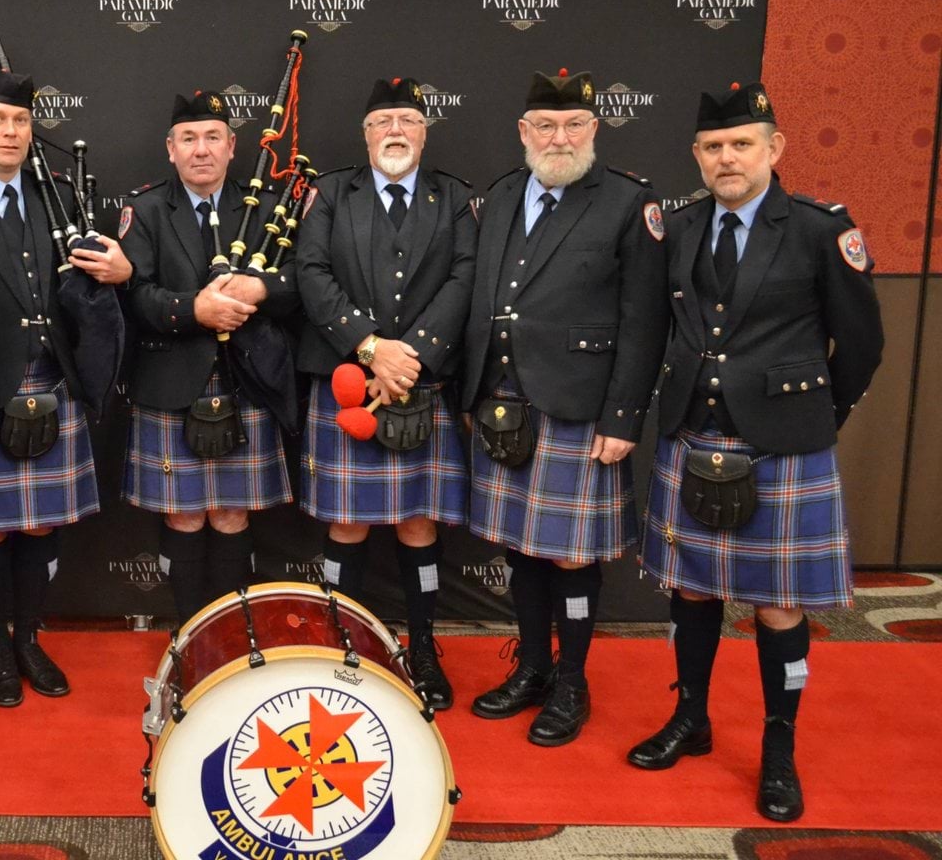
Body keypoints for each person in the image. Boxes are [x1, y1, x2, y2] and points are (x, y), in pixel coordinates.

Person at [627, 81, 882, 822]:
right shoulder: (673, 228)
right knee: (693, 589)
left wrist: (815, 417)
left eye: (742, 143)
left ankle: (779, 746)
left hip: (783, 446)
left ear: (775, 148)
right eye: (712, 146)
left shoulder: (814, 229)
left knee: (777, 605)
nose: (726, 157)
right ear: (697, 156)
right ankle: (692, 717)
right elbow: (654, 326)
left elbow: (861, 344)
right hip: (691, 432)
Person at [462, 68, 668, 744]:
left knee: (574, 555)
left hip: (580, 405)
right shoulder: (498, 197)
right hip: (504, 403)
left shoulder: (625, 203)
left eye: (572, 124)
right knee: (522, 548)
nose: (559, 137)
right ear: (524, 132)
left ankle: (572, 680)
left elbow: (645, 322)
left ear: (593, 130)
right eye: (545, 125)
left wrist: (623, 417)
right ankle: (532, 667)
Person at [0, 68, 132, 707]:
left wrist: (123, 271)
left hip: (56, 384)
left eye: (19, 121)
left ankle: (30, 639)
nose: (10, 132)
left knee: (43, 527)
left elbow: (95, 286)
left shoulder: (60, 198)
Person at [294, 77, 477, 709]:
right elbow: (309, 273)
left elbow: (465, 276)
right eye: (382, 121)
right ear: (365, 134)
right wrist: (371, 347)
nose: (394, 130)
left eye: (407, 119)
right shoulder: (329, 194)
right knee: (347, 521)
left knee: (418, 522)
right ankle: (338, 640)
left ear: (425, 130)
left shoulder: (452, 197)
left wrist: (413, 354)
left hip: (421, 382)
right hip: (348, 378)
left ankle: (422, 646)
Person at [118, 90, 298, 624]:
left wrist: (260, 291)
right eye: (189, 138)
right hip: (172, 382)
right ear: (170, 149)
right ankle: (189, 635)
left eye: (213, 137)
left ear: (232, 146)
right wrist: (194, 310)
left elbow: (300, 287)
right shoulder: (146, 209)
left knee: (232, 515)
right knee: (184, 517)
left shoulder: (269, 208)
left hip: (248, 381)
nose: (202, 149)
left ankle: (231, 633)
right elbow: (134, 295)